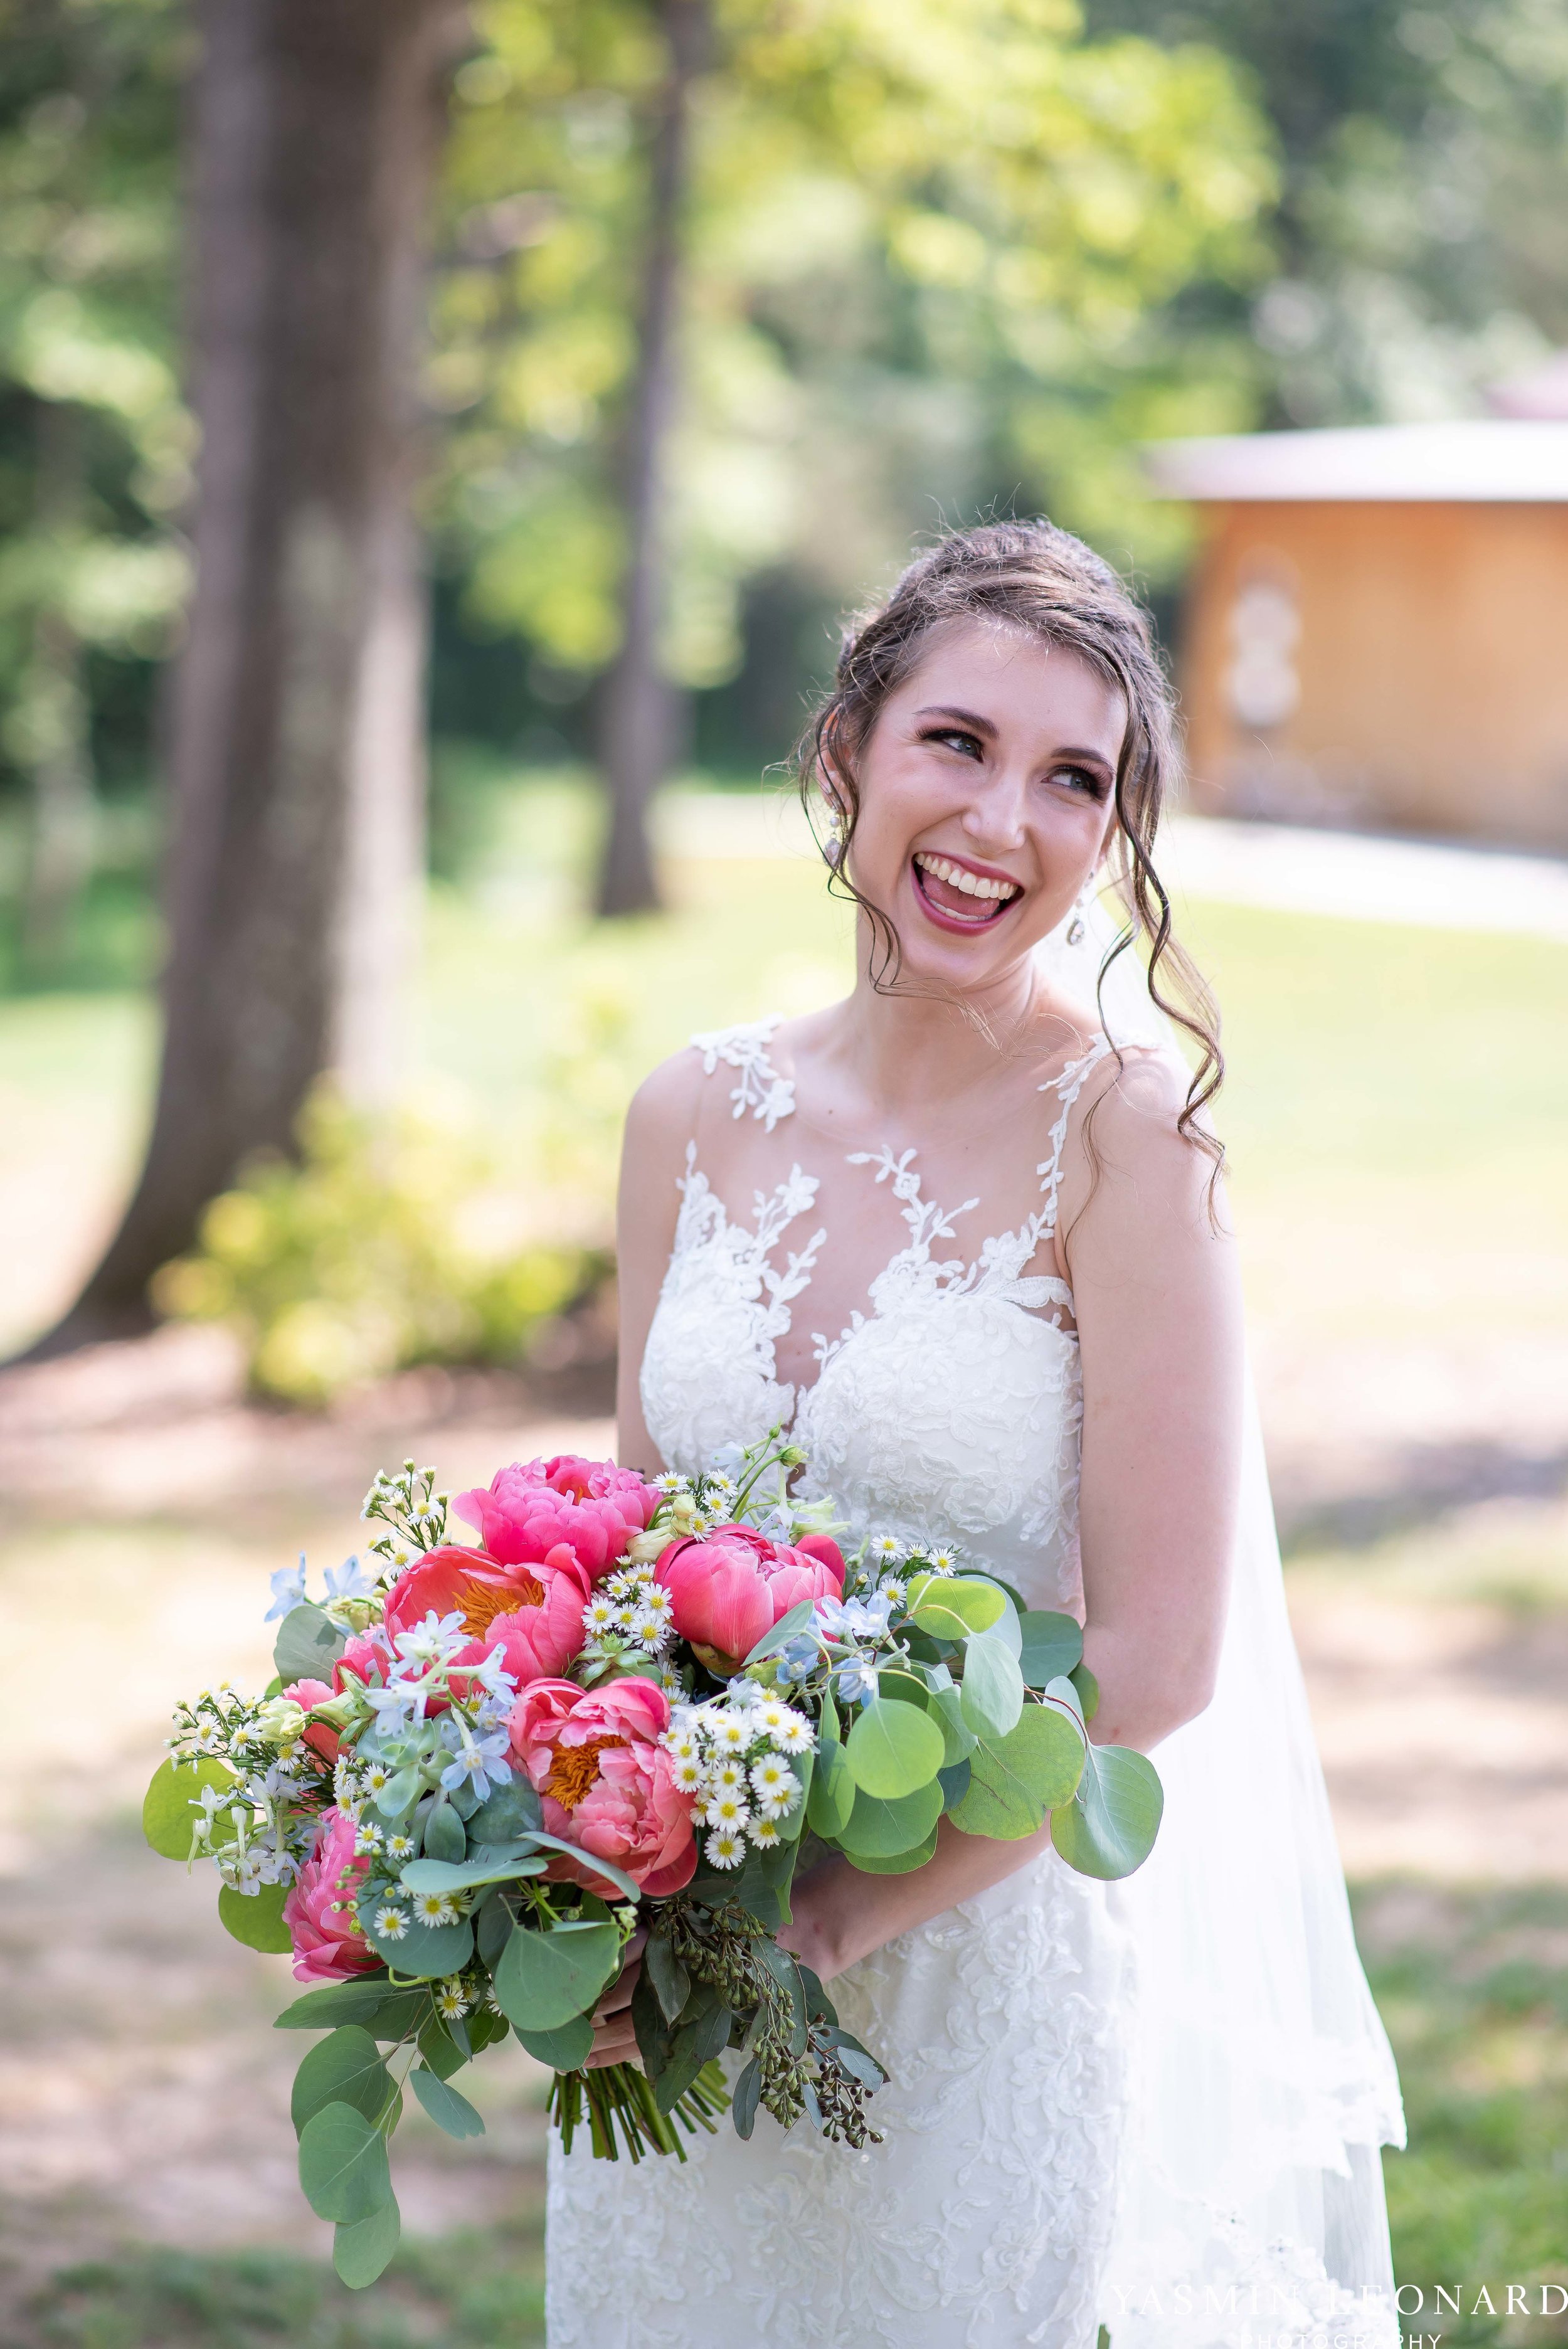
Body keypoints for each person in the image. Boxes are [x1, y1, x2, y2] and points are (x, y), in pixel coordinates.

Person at [545, 520, 1404, 2349]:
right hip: (677, 1972)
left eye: (1071, 779)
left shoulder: (1122, 1135)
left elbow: (1157, 1664)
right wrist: (564, 1849)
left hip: (968, 2004)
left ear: (1113, 835)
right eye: (956, 742)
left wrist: (836, 1923)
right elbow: (617, 1568)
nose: (1000, 824)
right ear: (846, 746)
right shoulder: (688, 1110)